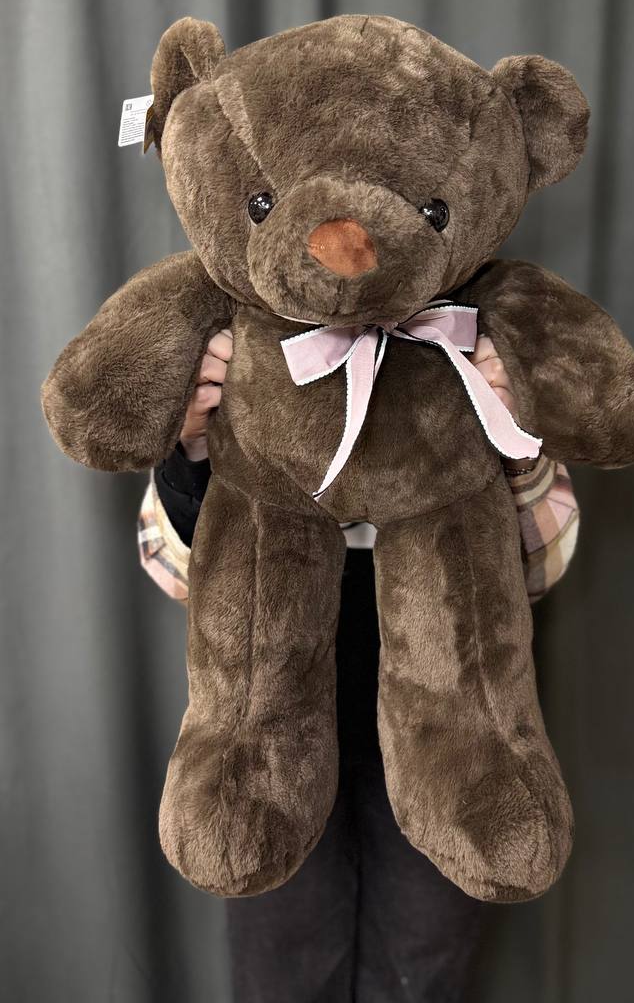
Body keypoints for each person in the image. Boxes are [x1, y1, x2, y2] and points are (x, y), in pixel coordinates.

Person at [138, 329, 579, 1003]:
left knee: (428, 943)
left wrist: (515, 436)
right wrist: (193, 446)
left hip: (447, 658)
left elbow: (543, 569)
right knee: (279, 936)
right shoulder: (240, 331)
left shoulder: (467, 327)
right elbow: (170, 570)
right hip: (275, 663)